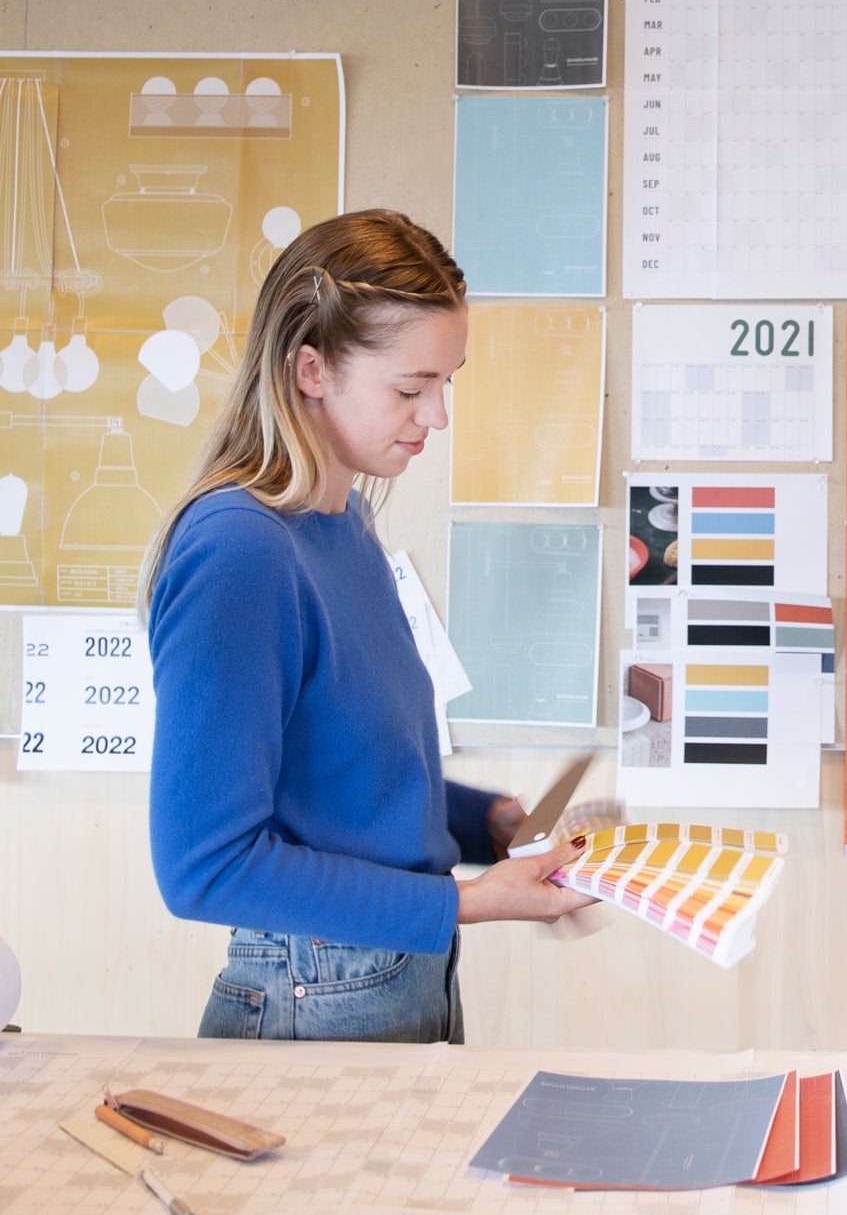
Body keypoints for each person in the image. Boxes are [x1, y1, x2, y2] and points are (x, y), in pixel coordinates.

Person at [143, 209, 591, 1042]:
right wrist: (463, 900)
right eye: (410, 389)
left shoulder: (342, 526)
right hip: (315, 992)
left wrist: (481, 822)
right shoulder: (239, 552)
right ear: (311, 368)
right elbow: (204, 866)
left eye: (445, 384)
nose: (437, 416)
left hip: (398, 976)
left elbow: (338, 769)